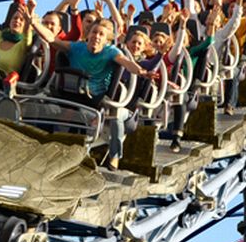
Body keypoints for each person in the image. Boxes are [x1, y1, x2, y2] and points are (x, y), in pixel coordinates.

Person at [27, 9, 161, 169]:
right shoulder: (77, 47)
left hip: (95, 99)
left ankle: (109, 156)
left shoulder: (111, 51)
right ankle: (40, 150)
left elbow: (125, 62)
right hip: (72, 94)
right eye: (94, 32)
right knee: (42, 107)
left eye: (101, 34)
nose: (96, 36)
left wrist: (142, 71)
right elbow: (51, 39)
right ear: (88, 34)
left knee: (100, 120)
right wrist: (34, 23)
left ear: (106, 40)